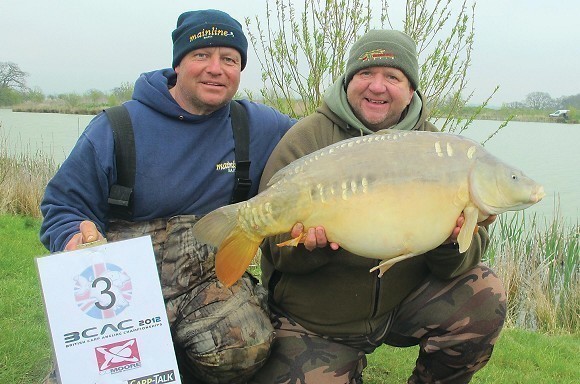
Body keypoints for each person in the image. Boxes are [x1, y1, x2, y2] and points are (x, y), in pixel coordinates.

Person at [40, 9, 298, 384]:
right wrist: (75, 239)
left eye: (229, 59)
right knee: (93, 375)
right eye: (201, 55)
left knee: (247, 347)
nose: (215, 68)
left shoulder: (259, 125)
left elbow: (321, 143)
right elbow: (61, 206)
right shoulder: (116, 127)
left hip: (203, 284)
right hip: (120, 289)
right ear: (178, 63)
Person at [251, 30, 506, 384]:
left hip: (400, 306)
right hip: (318, 320)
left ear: (411, 89)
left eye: (393, 77)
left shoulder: (440, 149)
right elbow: (275, 253)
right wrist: (312, 249)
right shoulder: (307, 139)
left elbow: (461, 261)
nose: (377, 86)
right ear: (349, 79)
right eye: (366, 73)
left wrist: (449, 242)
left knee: (484, 292)